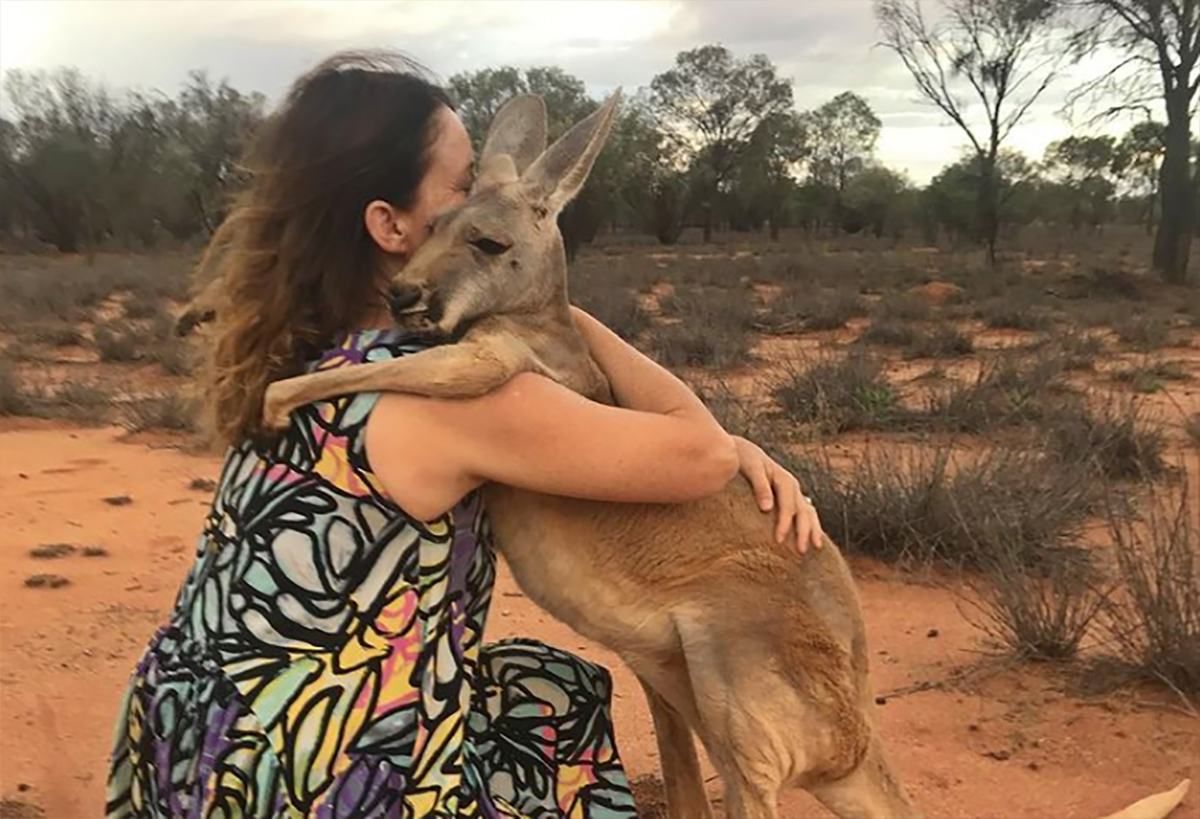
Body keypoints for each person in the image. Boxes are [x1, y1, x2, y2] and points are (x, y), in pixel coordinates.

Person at [106, 51, 824, 819]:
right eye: (463, 189)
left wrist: (524, 289)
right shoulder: (460, 399)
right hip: (309, 768)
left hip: (192, 729)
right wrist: (539, 285)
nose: (491, 199)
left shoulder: (315, 348)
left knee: (549, 689)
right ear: (390, 225)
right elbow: (702, 454)